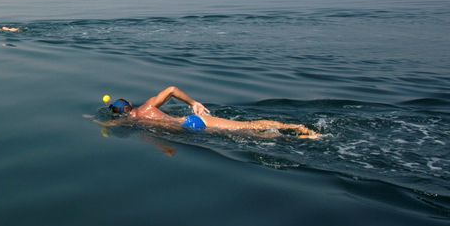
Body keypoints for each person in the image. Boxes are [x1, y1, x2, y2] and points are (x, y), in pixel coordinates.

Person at [96, 86, 320, 139]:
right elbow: (172, 89)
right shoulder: (147, 107)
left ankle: (298, 129)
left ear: (122, 113)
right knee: (249, 132)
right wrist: (194, 102)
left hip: (191, 124)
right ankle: (295, 135)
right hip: (193, 122)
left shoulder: (132, 121)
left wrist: (92, 120)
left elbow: (108, 126)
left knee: (247, 129)